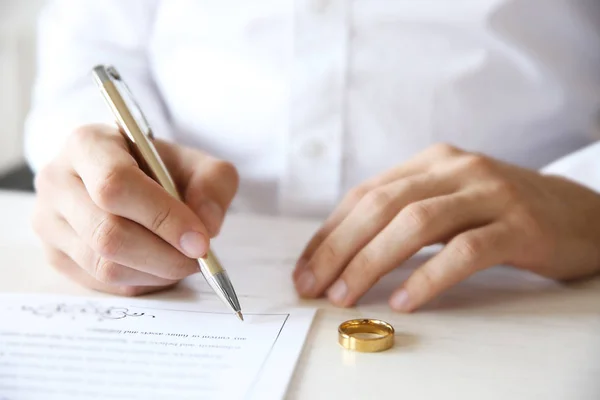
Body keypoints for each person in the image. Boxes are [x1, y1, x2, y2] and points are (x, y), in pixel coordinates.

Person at [25, 0, 600, 313]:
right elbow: (95, 52)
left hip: (533, 290)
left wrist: (587, 198)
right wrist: (100, 168)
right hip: (202, 275)